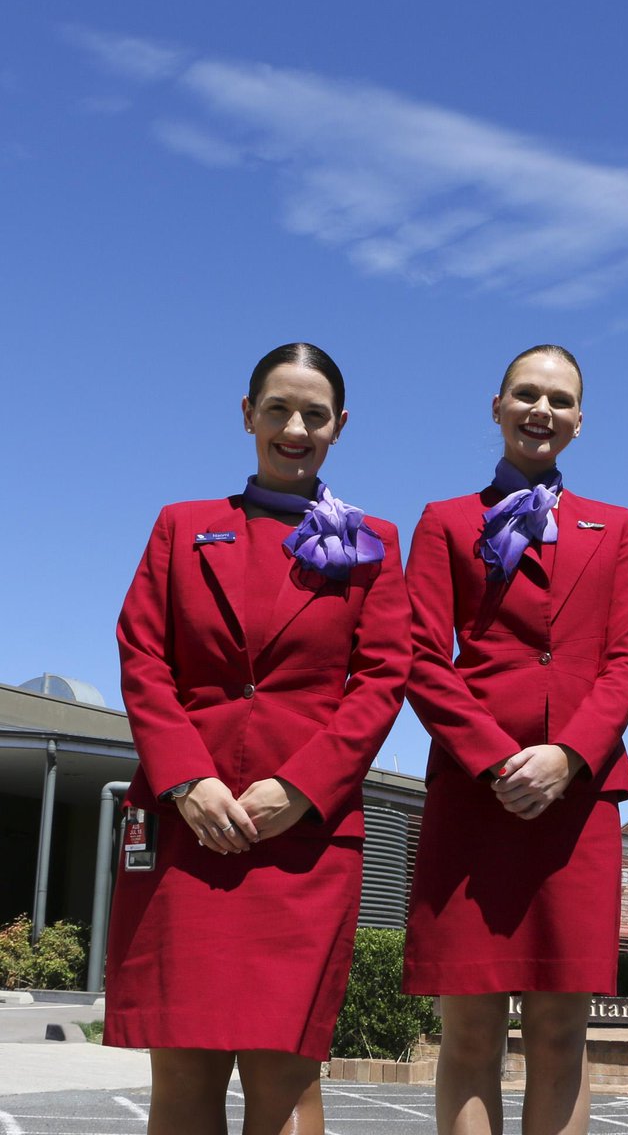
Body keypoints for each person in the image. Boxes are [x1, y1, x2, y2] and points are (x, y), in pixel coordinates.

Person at [103, 343, 411, 1135]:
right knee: (181, 1076)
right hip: (187, 829)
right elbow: (142, 654)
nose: (294, 427)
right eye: (278, 409)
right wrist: (187, 779)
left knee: (286, 1084)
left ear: (340, 426)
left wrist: (301, 788)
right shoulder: (181, 528)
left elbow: (381, 680)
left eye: (314, 414)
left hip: (303, 838)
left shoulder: (371, 541)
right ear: (248, 416)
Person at [402, 345, 628, 1135]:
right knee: (469, 1033)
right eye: (526, 394)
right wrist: (494, 760)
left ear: (580, 421)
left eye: (560, 399)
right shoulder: (445, 522)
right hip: (477, 799)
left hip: (576, 805)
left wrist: (568, 755)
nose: (542, 410)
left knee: (560, 1034)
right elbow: (416, 654)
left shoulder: (616, 529)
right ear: (497, 406)